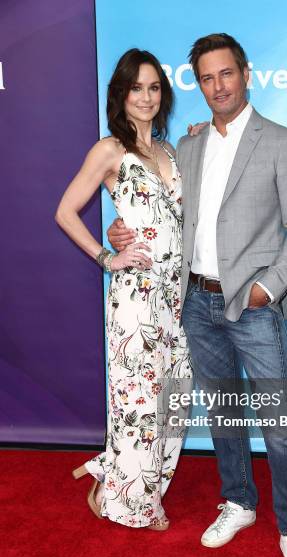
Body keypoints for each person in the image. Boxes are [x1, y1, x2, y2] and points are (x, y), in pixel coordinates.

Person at [108, 33, 287, 557]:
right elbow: (165, 213)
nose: (217, 86)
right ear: (197, 84)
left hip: (252, 307)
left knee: (278, 425)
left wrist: (264, 289)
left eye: (226, 74)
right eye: (206, 77)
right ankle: (239, 502)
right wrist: (119, 229)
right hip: (195, 304)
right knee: (226, 417)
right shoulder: (189, 146)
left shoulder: (282, 141)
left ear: (245, 74)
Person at [55, 48, 192, 531]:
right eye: (137, 87)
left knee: (174, 399)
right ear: (121, 94)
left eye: (154, 87)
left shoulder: (171, 152)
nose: (146, 97)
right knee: (139, 401)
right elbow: (65, 211)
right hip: (136, 299)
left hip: (177, 299)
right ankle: (133, 502)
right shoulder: (109, 150)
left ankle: (133, 480)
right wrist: (107, 257)